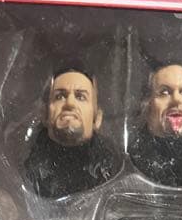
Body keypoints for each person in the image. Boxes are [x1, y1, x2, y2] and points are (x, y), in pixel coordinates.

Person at [23, 64, 119, 199]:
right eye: (60, 96)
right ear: (45, 115)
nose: (70, 103)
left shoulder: (112, 167)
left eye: (81, 97)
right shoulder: (28, 166)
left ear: (97, 118)